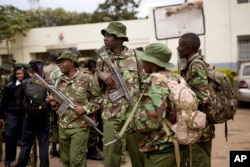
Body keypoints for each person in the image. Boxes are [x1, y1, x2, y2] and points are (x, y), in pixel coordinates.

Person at [129, 43, 189, 167]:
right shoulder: (176, 78)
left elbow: (151, 121)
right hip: (180, 142)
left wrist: (133, 123)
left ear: (153, 63)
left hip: (161, 149)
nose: (142, 63)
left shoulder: (156, 83)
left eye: (145, 60)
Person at [95, 21, 144, 167]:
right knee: (111, 155)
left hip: (134, 113)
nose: (105, 38)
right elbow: (95, 90)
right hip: (111, 113)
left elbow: (145, 84)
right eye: (105, 35)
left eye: (109, 35)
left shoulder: (136, 57)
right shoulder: (101, 59)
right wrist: (99, 76)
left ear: (120, 39)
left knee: (139, 153)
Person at [49, 50, 100, 167]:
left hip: (80, 126)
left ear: (72, 63)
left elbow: (100, 100)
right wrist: (53, 104)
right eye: (59, 63)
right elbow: (58, 105)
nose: (60, 65)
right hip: (63, 126)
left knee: (76, 161)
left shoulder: (87, 78)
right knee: (66, 161)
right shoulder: (58, 80)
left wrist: (85, 108)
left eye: (63, 62)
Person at [177, 32, 215, 167]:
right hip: (198, 122)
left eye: (180, 45)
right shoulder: (191, 64)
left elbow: (203, 97)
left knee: (198, 160)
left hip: (199, 125)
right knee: (197, 159)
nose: (178, 48)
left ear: (189, 47)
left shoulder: (196, 65)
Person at [15, 59, 50, 167]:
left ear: (31, 70)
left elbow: (18, 101)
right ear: (42, 68)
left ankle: (21, 165)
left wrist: (26, 110)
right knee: (43, 145)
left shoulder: (25, 83)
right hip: (44, 118)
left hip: (28, 118)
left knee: (25, 145)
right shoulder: (48, 83)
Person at [0, 64, 31, 167]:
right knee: (9, 137)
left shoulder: (30, 85)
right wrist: (1, 116)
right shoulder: (10, 86)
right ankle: (8, 160)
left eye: (21, 73)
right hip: (12, 115)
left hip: (25, 115)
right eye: (17, 73)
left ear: (25, 74)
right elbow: (4, 102)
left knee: (26, 138)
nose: (19, 75)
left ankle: (27, 158)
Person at [43, 52, 60, 157]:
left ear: (49, 58)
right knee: (60, 124)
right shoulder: (60, 69)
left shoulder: (45, 69)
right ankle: (59, 149)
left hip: (50, 97)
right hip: (60, 97)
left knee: (54, 124)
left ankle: (53, 148)